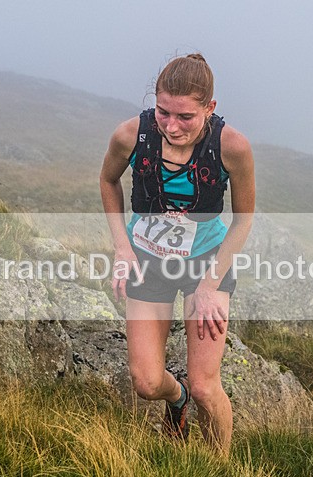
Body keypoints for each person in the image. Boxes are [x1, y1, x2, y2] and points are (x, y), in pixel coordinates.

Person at [99, 53, 255, 455]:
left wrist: (208, 285)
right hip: (147, 262)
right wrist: (121, 247)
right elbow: (108, 180)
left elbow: (244, 220)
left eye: (185, 116)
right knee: (147, 383)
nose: (171, 126)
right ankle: (176, 398)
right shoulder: (131, 135)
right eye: (163, 112)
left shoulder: (232, 147)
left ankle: (218, 472)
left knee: (206, 386)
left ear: (210, 108)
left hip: (207, 263)